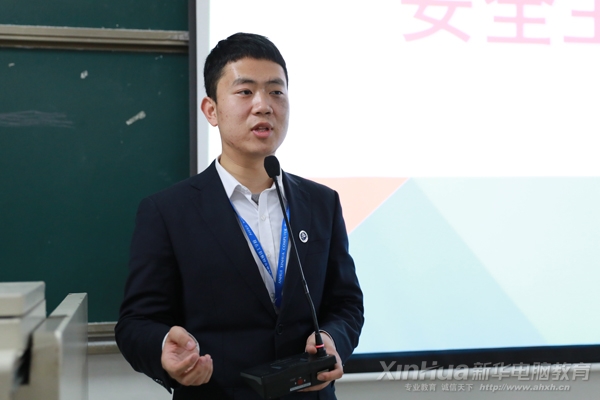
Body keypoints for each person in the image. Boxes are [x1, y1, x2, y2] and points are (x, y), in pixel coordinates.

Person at [115, 32, 364, 399]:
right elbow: (136, 323)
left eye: (276, 92)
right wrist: (164, 347)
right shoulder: (168, 211)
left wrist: (331, 338)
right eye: (245, 91)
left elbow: (346, 304)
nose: (263, 106)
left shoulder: (321, 203)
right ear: (211, 110)